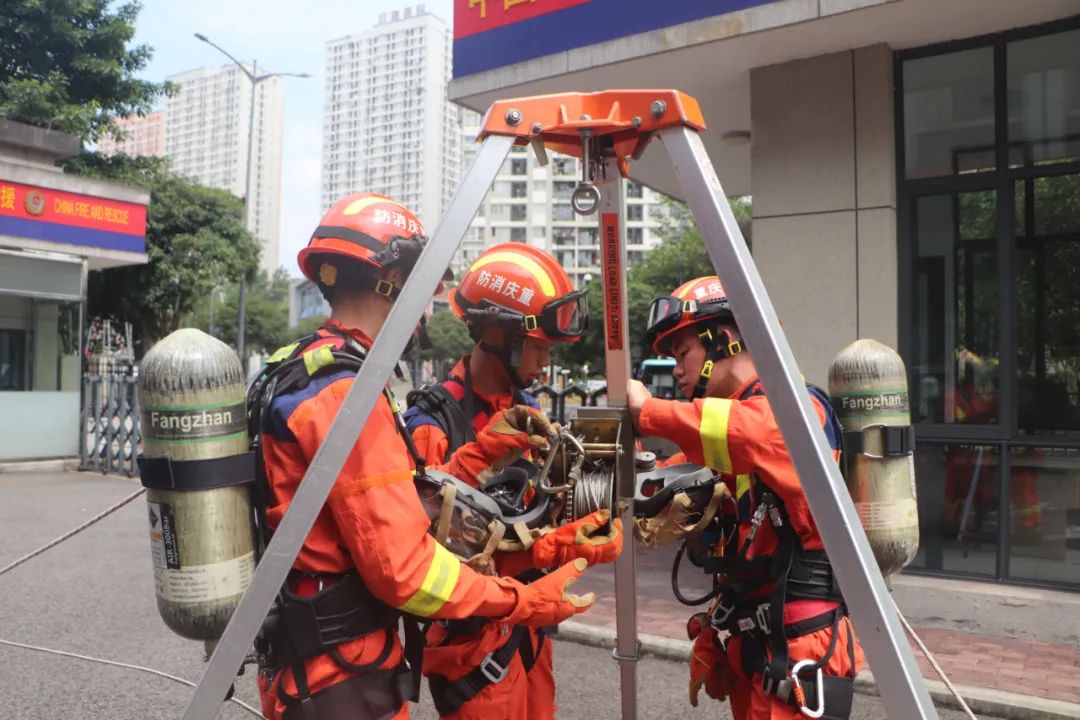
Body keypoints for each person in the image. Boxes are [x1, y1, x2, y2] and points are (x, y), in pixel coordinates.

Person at [252, 194, 595, 720]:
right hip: (340, 674)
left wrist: (486, 453)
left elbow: (403, 501)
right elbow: (407, 568)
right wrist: (521, 601)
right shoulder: (345, 395)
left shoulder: (315, 370)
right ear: (395, 282)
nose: (429, 308)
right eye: (426, 290)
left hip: (328, 664)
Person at [626, 275, 864, 720]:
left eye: (682, 353)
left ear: (724, 340)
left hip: (799, 650)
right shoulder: (734, 438)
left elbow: (745, 431)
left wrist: (647, 412)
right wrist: (718, 633)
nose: (676, 370)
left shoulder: (795, 410)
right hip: (764, 644)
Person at [404, 243, 622, 720]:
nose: (545, 362)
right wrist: (550, 549)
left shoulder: (528, 414)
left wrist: (582, 535)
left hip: (529, 629)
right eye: (541, 346)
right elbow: (432, 549)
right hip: (472, 643)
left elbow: (536, 518)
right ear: (500, 335)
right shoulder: (433, 423)